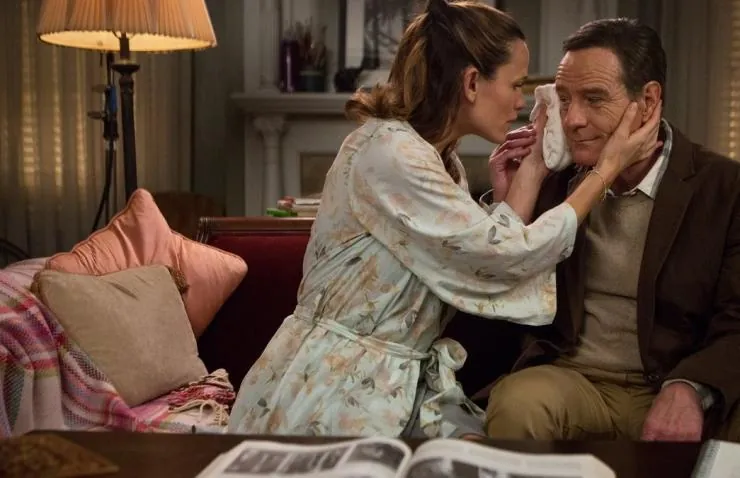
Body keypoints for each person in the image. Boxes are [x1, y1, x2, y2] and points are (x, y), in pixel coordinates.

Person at [228, 1, 659, 439]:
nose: (521, 101)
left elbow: (484, 261)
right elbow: (506, 255)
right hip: (333, 384)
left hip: (396, 380)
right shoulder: (391, 153)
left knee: (484, 451)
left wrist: (531, 172)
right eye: (515, 85)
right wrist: (606, 169)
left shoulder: (439, 160)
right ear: (471, 82)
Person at [484, 17, 740, 442]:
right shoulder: (549, 178)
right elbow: (489, 296)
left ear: (649, 101)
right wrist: (511, 199)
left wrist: (689, 386)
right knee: (518, 402)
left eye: (594, 99)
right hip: (572, 377)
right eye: (563, 100)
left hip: (669, 381)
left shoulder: (724, 188)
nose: (573, 119)